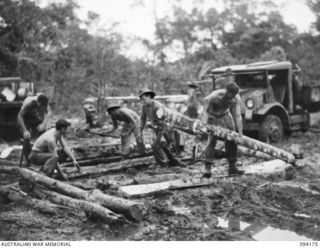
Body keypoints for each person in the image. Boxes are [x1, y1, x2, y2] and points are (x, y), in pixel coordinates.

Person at [202, 70, 244, 178]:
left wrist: (240, 133)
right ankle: (208, 168)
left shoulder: (235, 98)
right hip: (213, 116)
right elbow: (205, 113)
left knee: (232, 138)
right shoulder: (214, 97)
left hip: (226, 115)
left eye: (234, 95)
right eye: (230, 94)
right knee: (212, 139)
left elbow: (238, 116)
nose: (231, 97)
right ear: (226, 91)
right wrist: (204, 126)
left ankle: (232, 167)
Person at [139, 89, 185, 167]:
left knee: (155, 145)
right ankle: (173, 161)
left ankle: (163, 164)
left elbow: (165, 121)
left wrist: (162, 135)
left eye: (144, 99)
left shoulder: (158, 106)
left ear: (149, 96)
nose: (143, 101)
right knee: (163, 145)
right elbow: (143, 119)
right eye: (142, 100)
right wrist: (140, 130)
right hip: (157, 128)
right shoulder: (144, 107)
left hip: (166, 128)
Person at [17, 93, 52, 165]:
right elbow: (19, 116)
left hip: (34, 118)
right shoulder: (30, 104)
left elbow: (49, 112)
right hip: (25, 119)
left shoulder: (44, 101)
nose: (42, 108)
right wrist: (25, 130)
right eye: (41, 106)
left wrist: (43, 124)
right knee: (27, 137)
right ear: (38, 103)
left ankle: (44, 157)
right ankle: (28, 160)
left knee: (44, 134)